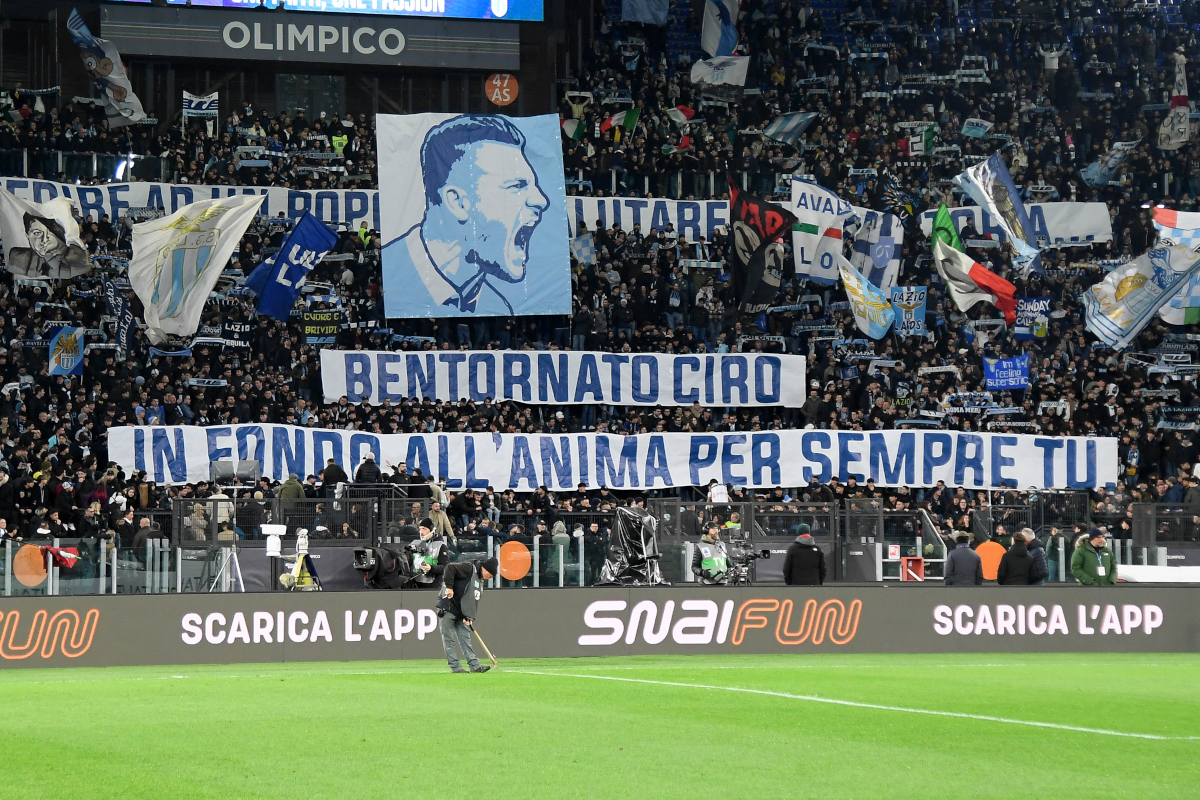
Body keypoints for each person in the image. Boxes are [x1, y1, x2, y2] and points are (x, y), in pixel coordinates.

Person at [380, 115, 550, 317]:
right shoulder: (388, 278)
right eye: (517, 186)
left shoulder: (497, 306)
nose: (541, 200)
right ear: (457, 202)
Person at [438, 556, 497, 674]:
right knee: (449, 640)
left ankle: (475, 666)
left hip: (462, 613)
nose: (489, 578)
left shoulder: (479, 579)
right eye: (490, 576)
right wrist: (449, 587)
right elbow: (450, 567)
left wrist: (469, 616)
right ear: (485, 569)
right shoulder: (469, 568)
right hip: (448, 608)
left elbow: (472, 599)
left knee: (466, 639)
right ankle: (456, 667)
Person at [408, 517, 449, 589]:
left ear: (432, 530)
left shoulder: (441, 546)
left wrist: (431, 568)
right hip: (416, 584)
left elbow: (446, 567)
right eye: (420, 529)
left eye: (424, 529)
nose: (421, 532)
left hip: (433, 586)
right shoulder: (417, 544)